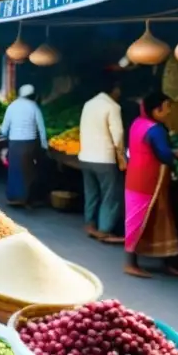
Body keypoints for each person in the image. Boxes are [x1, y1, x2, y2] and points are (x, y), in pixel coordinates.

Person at [124, 92, 178, 279]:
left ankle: (167, 262)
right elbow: (164, 155)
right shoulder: (155, 129)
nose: (169, 111)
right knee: (144, 220)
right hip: (148, 180)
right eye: (167, 107)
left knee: (141, 218)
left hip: (134, 177)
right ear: (157, 109)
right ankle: (130, 264)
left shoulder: (137, 123)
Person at [79, 76, 126, 243]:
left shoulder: (89, 104)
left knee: (91, 193)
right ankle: (105, 229)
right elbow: (118, 135)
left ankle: (90, 223)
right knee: (110, 195)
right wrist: (121, 156)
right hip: (104, 159)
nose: (120, 93)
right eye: (119, 89)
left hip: (85, 157)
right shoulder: (112, 107)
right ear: (114, 89)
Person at [0, 85, 48, 207]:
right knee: (28, 171)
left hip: (14, 143)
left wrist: (4, 144)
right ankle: (26, 199)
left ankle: (13, 197)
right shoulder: (34, 106)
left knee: (14, 170)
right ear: (32, 95)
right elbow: (41, 128)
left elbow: (4, 129)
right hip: (29, 144)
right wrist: (44, 145)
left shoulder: (12, 106)